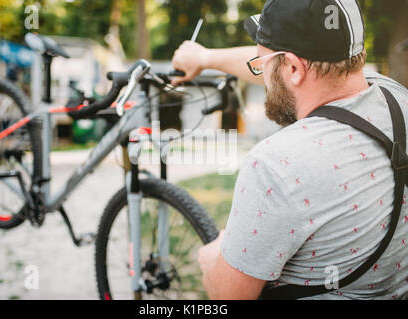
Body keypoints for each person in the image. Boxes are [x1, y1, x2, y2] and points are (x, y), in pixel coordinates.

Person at [172, 0, 408, 299]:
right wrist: (205, 57)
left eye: (263, 63)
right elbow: (291, 64)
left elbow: (228, 298)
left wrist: (212, 257)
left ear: (294, 67)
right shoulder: (397, 97)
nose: (260, 73)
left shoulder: (277, 164)